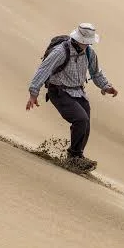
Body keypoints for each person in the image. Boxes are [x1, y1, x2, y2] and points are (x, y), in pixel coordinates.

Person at [26, 23, 118, 171]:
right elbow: (44, 69)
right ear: (78, 39)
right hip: (59, 92)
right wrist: (33, 93)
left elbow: (96, 72)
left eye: (90, 41)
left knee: (85, 124)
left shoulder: (89, 52)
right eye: (86, 41)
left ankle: (77, 156)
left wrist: (105, 86)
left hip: (78, 92)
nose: (89, 44)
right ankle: (73, 157)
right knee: (81, 119)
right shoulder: (61, 51)